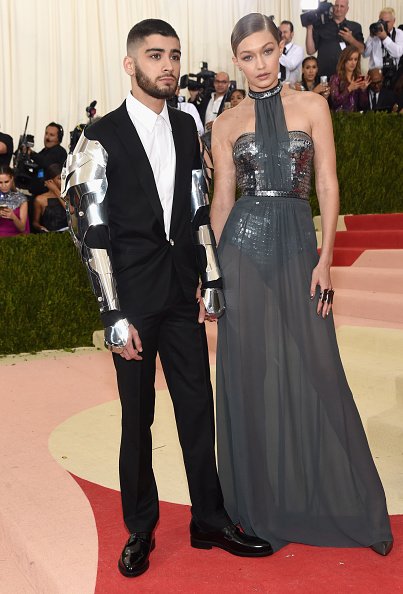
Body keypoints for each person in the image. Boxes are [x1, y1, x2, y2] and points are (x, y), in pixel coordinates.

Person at [62, 18, 273, 579]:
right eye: (156, 56)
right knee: (138, 419)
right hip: (131, 304)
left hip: (182, 295)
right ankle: (140, 528)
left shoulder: (185, 126)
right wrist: (111, 313)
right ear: (131, 65)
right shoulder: (98, 135)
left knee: (197, 408)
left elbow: (198, 210)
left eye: (175, 55)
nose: (170, 66)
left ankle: (209, 517)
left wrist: (211, 278)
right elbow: (91, 234)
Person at [210, 12, 393, 556]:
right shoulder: (225, 123)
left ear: (281, 49)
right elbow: (223, 202)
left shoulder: (313, 106)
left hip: (297, 245)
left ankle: (326, 494)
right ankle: (258, 503)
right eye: (248, 56)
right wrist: (216, 275)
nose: (260, 65)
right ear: (236, 61)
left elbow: (329, 185)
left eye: (267, 52)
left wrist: (326, 260)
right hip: (241, 249)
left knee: (318, 365)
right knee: (249, 374)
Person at [305, 0, 364, 79]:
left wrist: (351, 39)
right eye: (336, 5)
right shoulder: (321, 26)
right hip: (324, 75)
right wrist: (309, 28)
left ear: (347, 9)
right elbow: (310, 51)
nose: (338, 9)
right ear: (332, 7)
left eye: (342, 6)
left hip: (347, 77)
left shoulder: (355, 26)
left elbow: (361, 50)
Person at [363, 7, 403, 89]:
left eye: (387, 22)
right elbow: (365, 54)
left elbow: (398, 53)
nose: (383, 24)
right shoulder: (375, 34)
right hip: (375, 77)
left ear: (394, 21)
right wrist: (371, 36)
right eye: (381, 21)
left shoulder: (399, 33)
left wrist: (385, 38)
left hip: (393, 76)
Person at [28, 122, 67, 196]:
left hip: (51, 197)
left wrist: (31, 153)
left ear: (59, 138)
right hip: (37, 194)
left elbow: (46, 162)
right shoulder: (43, 152)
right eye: (46, 134)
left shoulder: (59, 151)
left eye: (51, 135)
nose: (47, 137)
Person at [329, 45, 369, 111]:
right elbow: (335, 102)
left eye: (355, 59)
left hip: (355, 118)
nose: (353, 63)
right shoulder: (335, 78)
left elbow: (363, 106)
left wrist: (363, 91)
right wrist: (349, 89)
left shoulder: (358, 78)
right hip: (339, 118)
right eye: (350, 59)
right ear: (344, 60)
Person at [32, 163, 70, 232]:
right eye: (59, 178)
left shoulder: (68, 196)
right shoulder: (40, 199)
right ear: (50, 181)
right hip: (51, 236)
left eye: (64, 177)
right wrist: (40, 228)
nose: (63, 181)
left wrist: (56, 190)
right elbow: (35, 222)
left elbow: (70, 210)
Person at [0, 165, 29, 236]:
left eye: (6, 182)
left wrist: (13, 216)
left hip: (16, 237)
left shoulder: (21, 198)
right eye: (0, 182)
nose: (3, 185)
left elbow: (22, 228)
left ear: (12, 179)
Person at [278, 20, 304, 85]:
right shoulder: (275, 49)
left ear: (292, 34)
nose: (282, 35)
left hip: (292, 88)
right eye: (280, 32)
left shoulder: (298, 49)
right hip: (276, 87)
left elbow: (291, 66)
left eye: (285, 32)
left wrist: (278, 51)